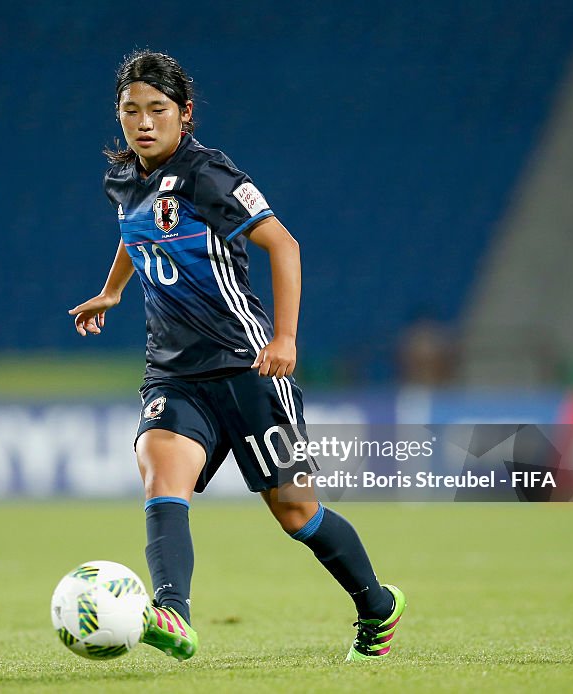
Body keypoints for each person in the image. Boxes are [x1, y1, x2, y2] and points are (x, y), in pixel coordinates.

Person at [69, 51, 406, 662]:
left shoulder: (209, 174)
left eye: (157, 110)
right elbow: (134, 233)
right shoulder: (124, 178)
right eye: (130, 111)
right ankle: (172, 613)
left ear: (184, 114)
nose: (143, 123)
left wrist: (285, 338)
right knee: (160, 473)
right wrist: (113, 290)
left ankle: (376, 605)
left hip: (245, 365)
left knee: (297, 514)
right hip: (173, 371)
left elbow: (285, 244)